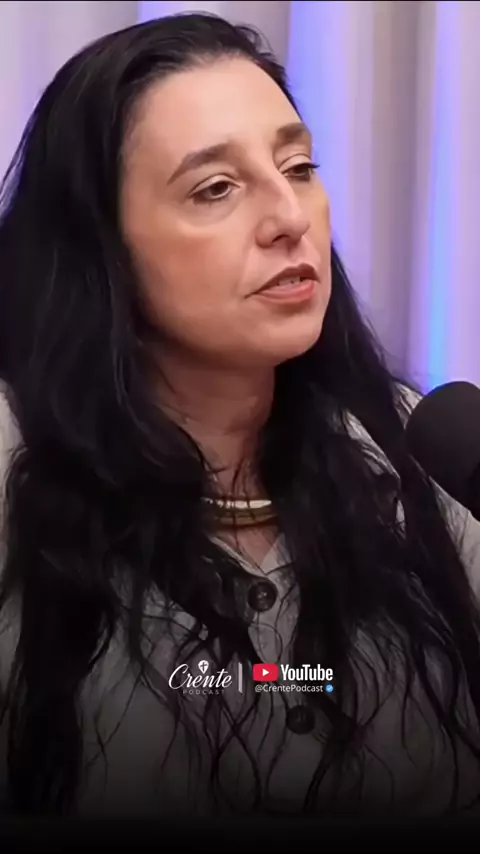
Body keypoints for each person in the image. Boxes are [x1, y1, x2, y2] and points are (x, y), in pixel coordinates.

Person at [0, 11, 480, 822]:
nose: (290, 217)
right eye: (215, 188)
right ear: (99, 249)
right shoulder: (13, 467)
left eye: (298, 167)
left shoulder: (414, 452)